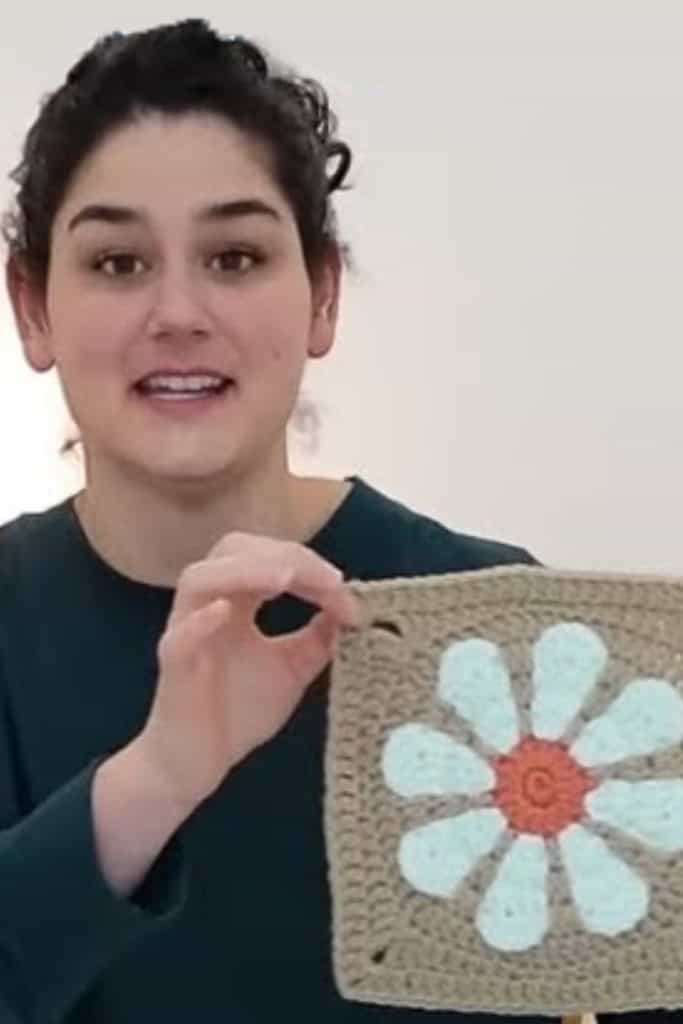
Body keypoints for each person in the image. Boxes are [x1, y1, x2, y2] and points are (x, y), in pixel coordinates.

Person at [0, 18, 573, 1024]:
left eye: (232, 255)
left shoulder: (490, 622)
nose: (177, 310)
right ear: (32, 309)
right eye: (117, 263)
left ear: (321, 295)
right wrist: (159, 774)